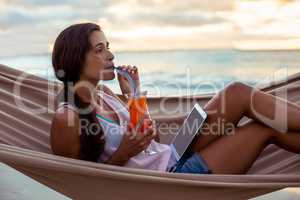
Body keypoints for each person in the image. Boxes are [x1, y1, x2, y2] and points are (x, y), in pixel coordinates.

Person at [50, 23, 300, 174]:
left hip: (171, 153)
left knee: (236, 93)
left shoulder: (104, 93)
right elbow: (87, 185)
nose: (111, 55)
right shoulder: (67, 118)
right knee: (262, 129)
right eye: (100, 49)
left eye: (109, 46)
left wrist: (134, 96)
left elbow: (153, 140)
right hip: (171, 176)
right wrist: (123, 153)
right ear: (76, 58)